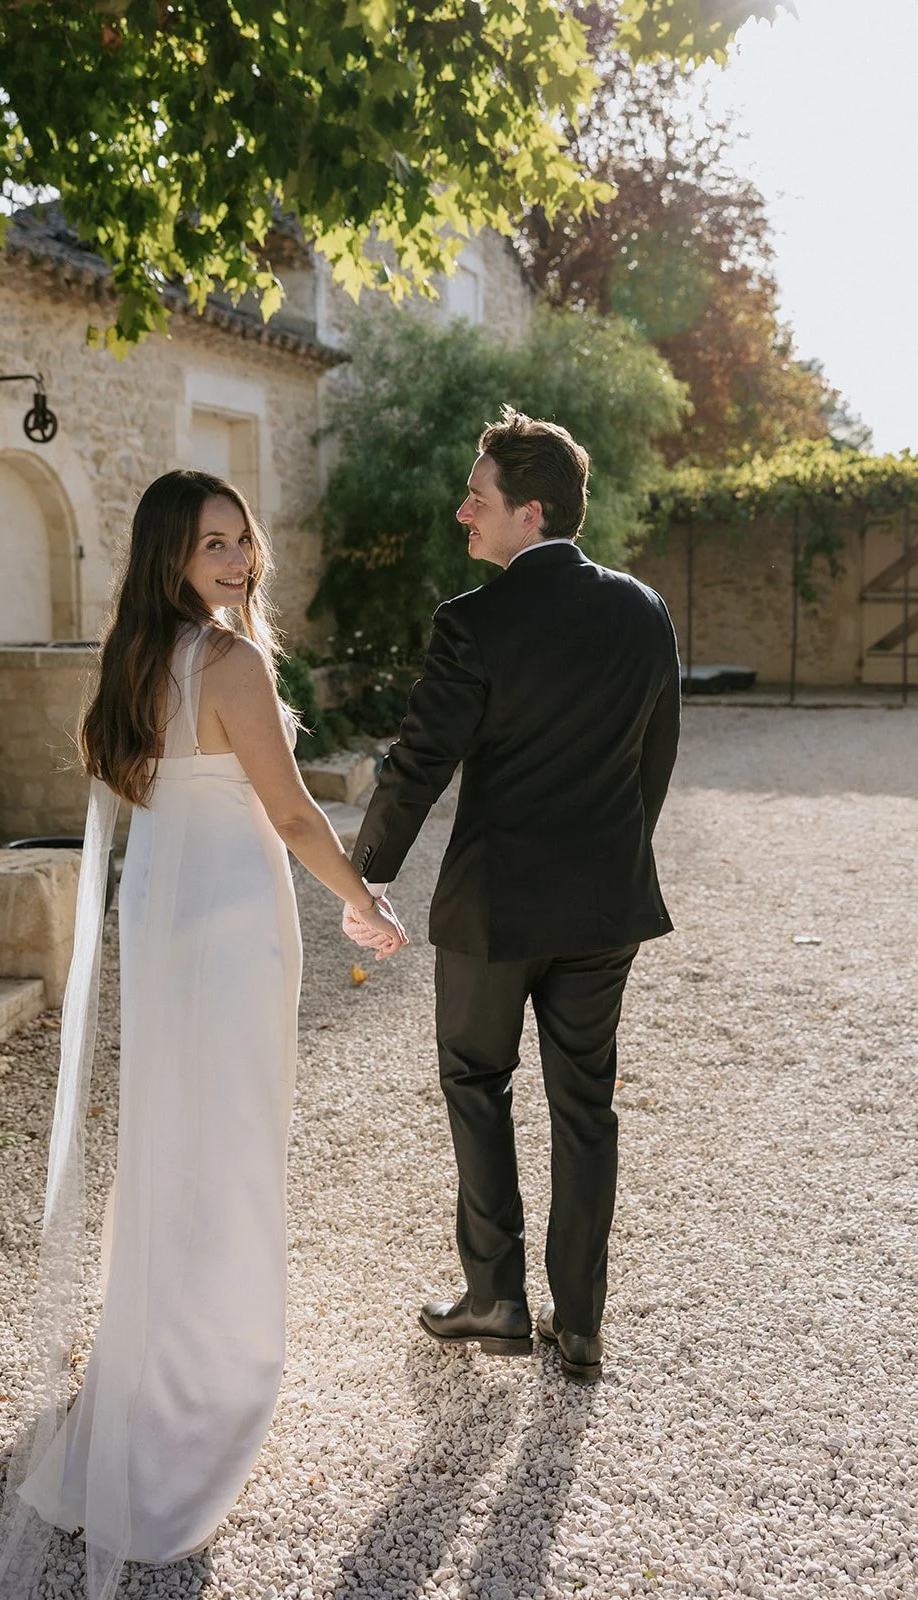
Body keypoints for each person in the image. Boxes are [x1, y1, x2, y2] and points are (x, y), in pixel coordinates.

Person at [0, 470, 406, 1600]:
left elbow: (140, 783)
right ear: (172, 556)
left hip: (166, 902)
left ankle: (152, 1349)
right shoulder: (230, 660)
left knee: (180, 1128)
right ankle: (208, 1370)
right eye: (211, 544)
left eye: (242, 539)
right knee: (225, 1135)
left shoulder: (138, 656)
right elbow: (291, 811)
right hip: (229, 916)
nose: (236, 560)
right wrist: (361, 900)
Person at [345, 408, 679, 1381]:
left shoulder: (472, 620)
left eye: (477, 497)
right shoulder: (643, 609)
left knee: (475, 1080)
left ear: (529, 511)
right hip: (601, 907)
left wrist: (367, 873)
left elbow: (418, 764)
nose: (462, 512)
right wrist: (614, 854)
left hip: (493, 910)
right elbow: (655, 759)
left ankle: (494, 1298)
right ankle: (579, 1322)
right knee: (586, 1109)